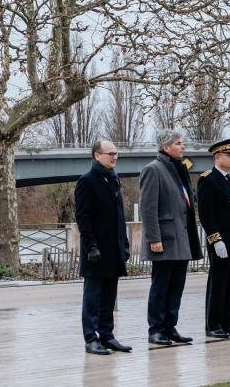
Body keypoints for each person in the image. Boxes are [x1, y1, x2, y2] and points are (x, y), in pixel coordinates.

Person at [139, 130, 203, 345]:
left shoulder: (180, 168)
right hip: (165, 240)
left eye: (182, 143)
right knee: (160, 287)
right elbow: (148, 208)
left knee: (176, 286)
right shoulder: (153, 170)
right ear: (166, 148)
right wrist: (154, 239)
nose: (183, 147)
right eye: (178, 143)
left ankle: (169, 327)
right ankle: (155, 329)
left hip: (181, 238)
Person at [74, 140, 132, 355]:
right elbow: (83, 218)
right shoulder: (87, 181)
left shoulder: (114, 179)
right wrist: (91, 247)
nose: (114, 157)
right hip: (96, 251)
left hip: (113, 249)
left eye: (116, 153)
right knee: (92, 298)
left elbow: (119, 217)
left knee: (109, 297)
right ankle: (91, 339)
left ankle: (107, 336)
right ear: (97, 156)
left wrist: (124, 243)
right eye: (110, 154)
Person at [197, 138, 230, 338]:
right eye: (229, 155)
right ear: (217, 157)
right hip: (221, 240)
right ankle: (213, 325)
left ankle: (227, 323)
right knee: (218, 284)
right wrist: (215, 239)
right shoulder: (208, 179)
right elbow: (206, 214)